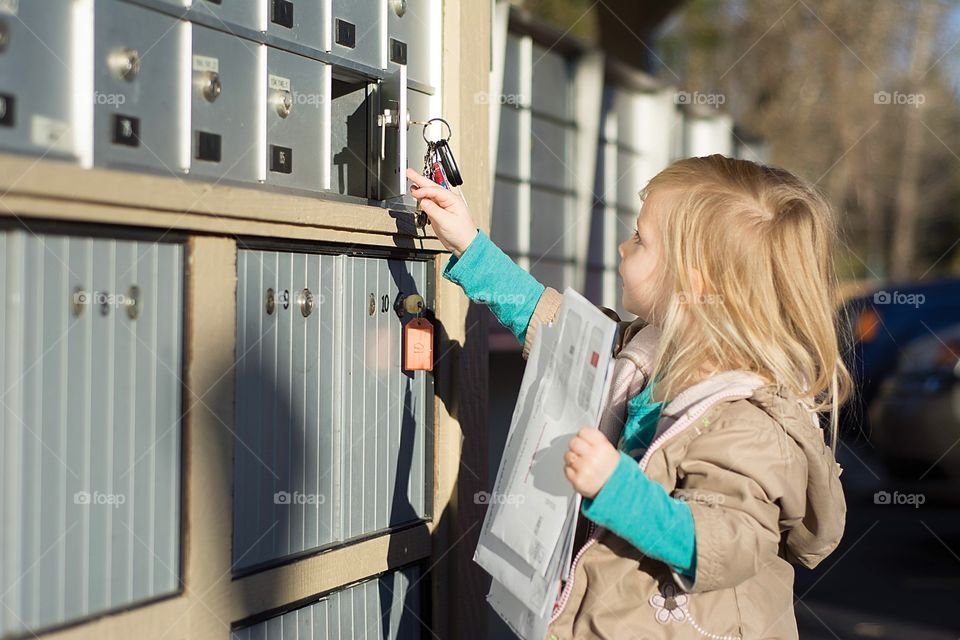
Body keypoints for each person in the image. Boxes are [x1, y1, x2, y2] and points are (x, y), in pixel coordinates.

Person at [406, 154, 850, 639]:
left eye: (640, 239)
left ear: (694, 280)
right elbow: (558, 329)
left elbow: (724, 544)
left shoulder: (749, 424)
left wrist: (617, 489)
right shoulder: (649, 349)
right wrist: (469, 243)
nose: (622, 246)